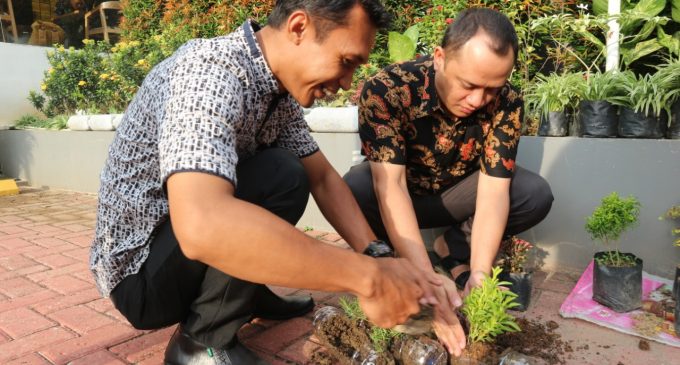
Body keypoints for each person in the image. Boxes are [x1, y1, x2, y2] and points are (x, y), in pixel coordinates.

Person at [89, 1, 454, 364]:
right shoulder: (208, 73)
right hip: (141, 277)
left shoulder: (277, 93)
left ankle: (244, 291)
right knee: (281, 174)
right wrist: (370, 279)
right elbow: (200, 223)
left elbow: (324, 179)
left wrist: (379, 256)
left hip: (175, 254)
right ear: (298, 28)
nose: (347, 84)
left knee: (290, 173)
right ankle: (200, 341)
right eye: (346, 62)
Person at [344, 6, 554, 320]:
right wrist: (425, 277)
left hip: (459, 196)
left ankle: (454, 245)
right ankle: (392, 258)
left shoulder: (508, 101)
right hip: (404, 194)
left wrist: (480, 273)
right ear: (440, 58)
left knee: (533, 193)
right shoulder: (387, 89)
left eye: (491, 89)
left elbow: (494, 191)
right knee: (354, 189)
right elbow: (391, 186)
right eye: (468, 85)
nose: (478, 101)